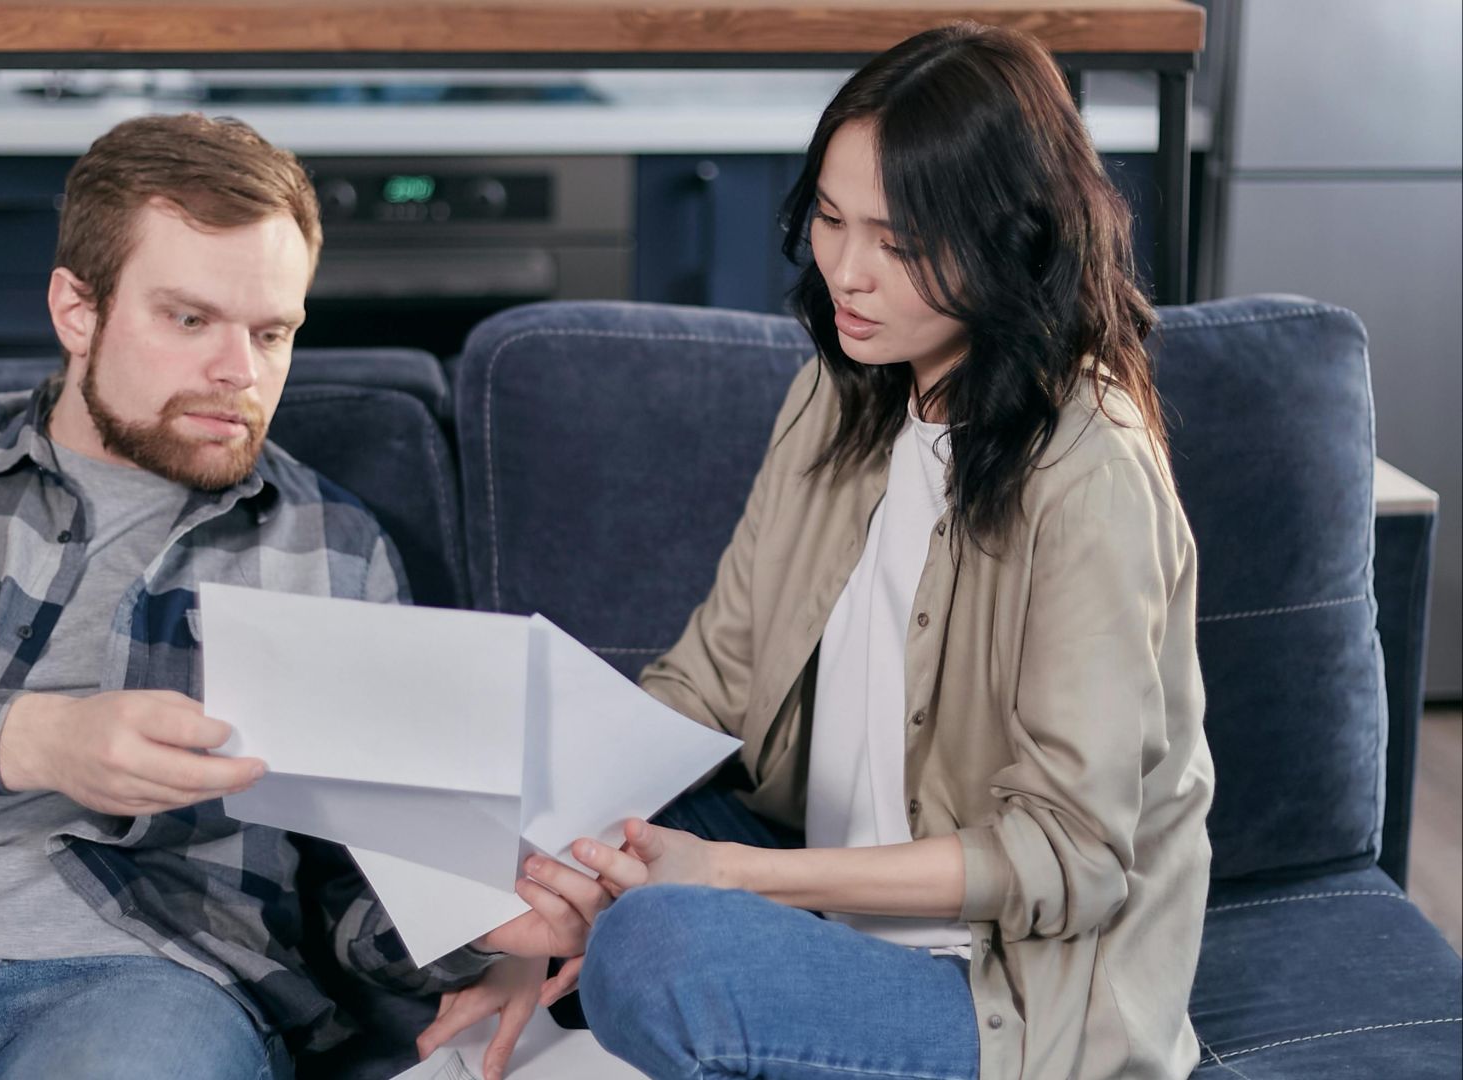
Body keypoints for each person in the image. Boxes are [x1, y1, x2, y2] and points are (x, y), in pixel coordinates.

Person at [0, 113, 584, 1080]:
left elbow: (354, 890)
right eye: (190, 320)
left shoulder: (333, 545)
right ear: (78, 310)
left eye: (272, 332)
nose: (240, 373)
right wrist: (44, 740)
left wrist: (478, 924)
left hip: (146, 983)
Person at [438, 21, 1216, 1080]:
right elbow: (707, 683)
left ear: (1010, 238)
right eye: (833, 220)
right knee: (544, 817)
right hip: (811, 891)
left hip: (996, 986)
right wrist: (553, 888)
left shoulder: (1089, 476)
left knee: (655, 951)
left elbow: (1069, 858)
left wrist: (731, 883)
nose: (847, 271)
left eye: (897, 242)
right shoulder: (839, 389)